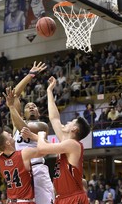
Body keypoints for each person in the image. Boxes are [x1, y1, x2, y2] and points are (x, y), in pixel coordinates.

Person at [0, 61, 55, 204]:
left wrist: (11, 107)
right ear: (22, 112)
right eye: (28, 106)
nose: (31, 107)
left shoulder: (41, 125)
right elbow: (15, 94)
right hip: (20, 170)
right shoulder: (16, 123)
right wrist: (30, 75)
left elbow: (23, 127)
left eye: (34, 106)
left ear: (38, 112)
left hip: (37, 168)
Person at [35, 75, 91, 204]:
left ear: (75, 129)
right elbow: (54, 118)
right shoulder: (66, 141)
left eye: (72, 121)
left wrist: (40, 135)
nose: (67, 122)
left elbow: (42, 148)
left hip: (73, 198)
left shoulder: (73, 144)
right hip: (63, 197)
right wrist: (49, 91)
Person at [0, 126, 42, 204]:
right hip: (25, 201)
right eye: (8, 134)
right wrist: (34, 136)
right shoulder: (24, 154)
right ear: (7, 143)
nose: (10, 134)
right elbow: (46, 149)